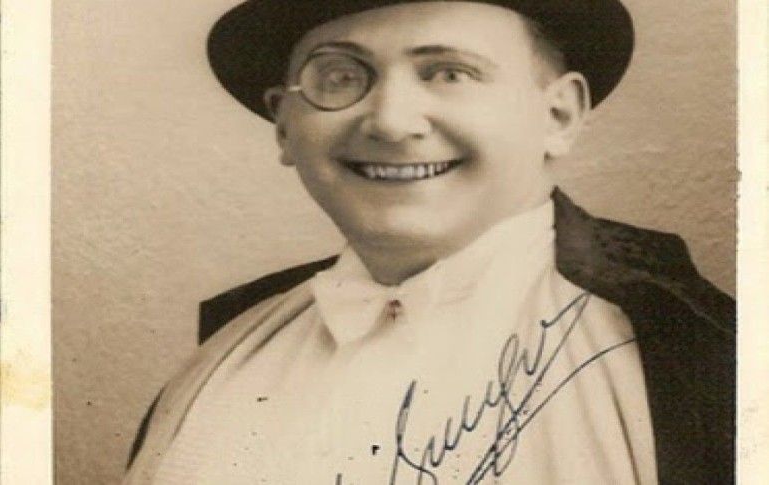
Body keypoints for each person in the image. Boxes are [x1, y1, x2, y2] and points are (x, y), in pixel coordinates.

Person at [124, 1, 735, 483]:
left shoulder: (695, 357)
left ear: (559, 115)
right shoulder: (229, 351)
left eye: (449, 73)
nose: (391, 122)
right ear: (285, 126)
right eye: (339, 76)